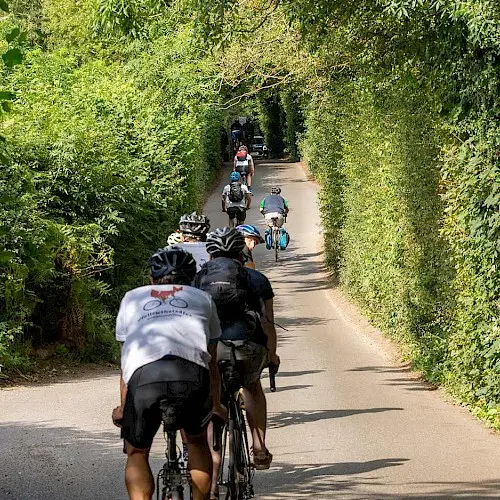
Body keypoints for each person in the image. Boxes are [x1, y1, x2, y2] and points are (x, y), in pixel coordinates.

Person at [112, 246, 225, 500]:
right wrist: (216, 405)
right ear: (191, 278)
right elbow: (212, 362)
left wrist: (123, 407)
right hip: (191, 376)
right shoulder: (202, 298)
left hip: (144, 378)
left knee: (138, 451)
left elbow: (127, 360)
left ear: (151, 279)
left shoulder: (132, 298)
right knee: (196, 442)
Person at [194, 228, 279, 498]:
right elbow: (268, 325)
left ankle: (213, 473)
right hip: (247, 348)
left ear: (210, 253)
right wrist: (272, 355)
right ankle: (259, 446)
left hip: (212, 350)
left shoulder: (198, 278)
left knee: (212, 402)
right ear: (241, 252)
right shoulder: (257, 279)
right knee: (252, 386)